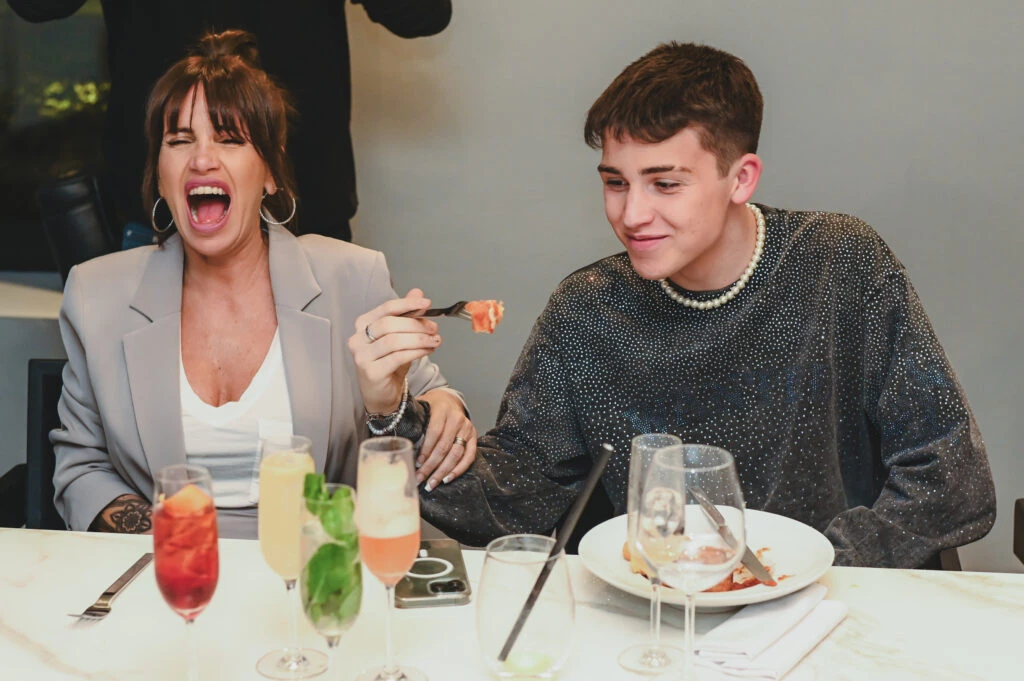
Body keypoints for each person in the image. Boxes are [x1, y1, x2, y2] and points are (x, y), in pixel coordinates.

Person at [419, 42, 997, 568]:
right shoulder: (586, 309)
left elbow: (950, 478)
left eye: (665, 184)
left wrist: (810, 574)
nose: (631, 214)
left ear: (740, 178)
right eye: (615, 183)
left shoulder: (840, 263)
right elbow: (514, 500)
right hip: (661, 618)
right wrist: (397, 417)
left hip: (831, 610)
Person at [51, 30, 475, 539]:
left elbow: (421, 412)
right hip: (165, 575)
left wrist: (445, 410)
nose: (201, 159)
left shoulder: (352, 277)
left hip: (314, 573)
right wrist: (174, 545)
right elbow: (81, 469)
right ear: (160, 175)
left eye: (229, 140)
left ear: (271, 173)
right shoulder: (95, 294)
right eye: (179, 141)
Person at [7, 0, 453, 245]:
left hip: (304, 215)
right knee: (148, 409)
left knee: (324, 411)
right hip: (163, 221)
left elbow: (423, 13)